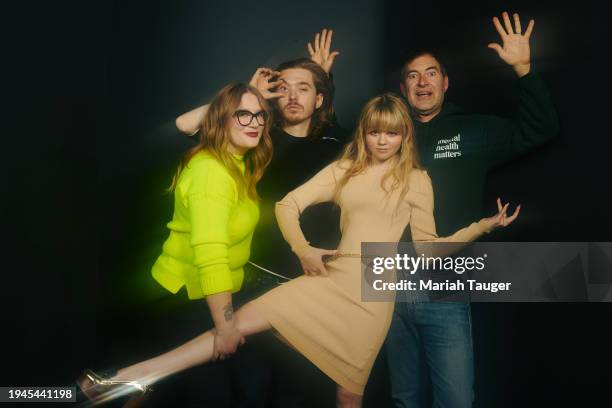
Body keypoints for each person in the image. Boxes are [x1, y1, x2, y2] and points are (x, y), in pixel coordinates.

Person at [79, 93, 520, 408]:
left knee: (349, 394)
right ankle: (128, 378)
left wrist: (483, 226)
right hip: (326, 284)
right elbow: (287, 205)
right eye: (374, 132)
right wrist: (305, 250)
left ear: (405, 136)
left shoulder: (417, 180)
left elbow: (426, 249)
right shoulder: (345, 168)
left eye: (393, 133)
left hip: (374, 293)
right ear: (364, 134)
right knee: (234, 325)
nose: (383, 141)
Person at [386, 11, 559, 407]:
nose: (423, 81)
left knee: (456, 401)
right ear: (403, 88)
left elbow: (540, 130)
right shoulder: (387, 135)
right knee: (403, 399)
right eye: (413, 75)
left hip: (446, 283)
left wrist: (524, 70)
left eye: (431, 73)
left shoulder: (472, 131)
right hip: (389, 284)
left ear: (445, 83)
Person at [176, 29, 348, 407]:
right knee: (249, 389)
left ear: (320, 99)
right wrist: (246, 95)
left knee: (298, 391)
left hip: (307, 286)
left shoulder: (338, 145)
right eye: (283, 87)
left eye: (304, 89)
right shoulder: (255, 136)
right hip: (251, 282)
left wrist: (318, 76)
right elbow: (185, 126)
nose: (291, 96)